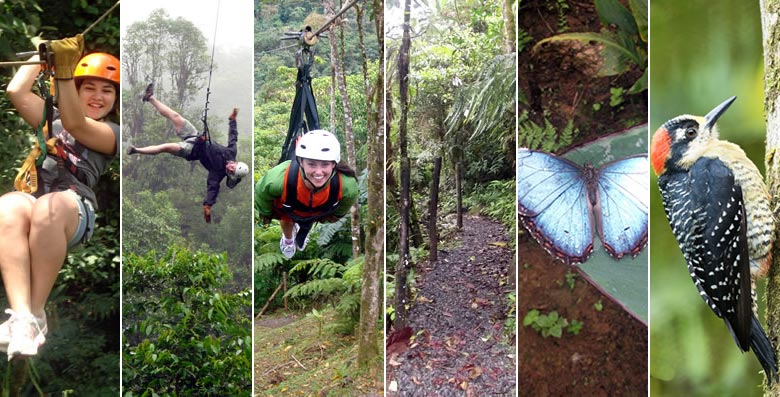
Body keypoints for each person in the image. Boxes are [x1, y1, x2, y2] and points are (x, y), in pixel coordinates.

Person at [0, 34, 119, 360]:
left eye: (107, 90)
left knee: (49, 208)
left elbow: (75, 125)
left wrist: (63, 70)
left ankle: (36, 314)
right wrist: (41, 55)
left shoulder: (113, 134)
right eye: (89, 88)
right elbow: (16, 91)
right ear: (75, 91)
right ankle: (21, 315)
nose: (98, 97)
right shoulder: (52, 118)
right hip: (36, 199)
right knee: (7, 206)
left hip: (72, 208)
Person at [127, 83, 248, 223]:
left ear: (231, 175)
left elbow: (213, 189)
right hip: (196, 136)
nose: (230, 168)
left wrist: (207, 206)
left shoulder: (218, 173)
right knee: (175, 116)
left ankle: (136, 150)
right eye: (233, 167)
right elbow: (233, 136)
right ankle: (150, 97)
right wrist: (232, 120)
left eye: (231, 172)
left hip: (191, 150)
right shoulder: (231, 152)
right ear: (235, 163)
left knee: (166, 147)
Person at [255, 130, 358, 259]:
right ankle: (288, 240)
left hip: (318, 209)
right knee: (287, 220)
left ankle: (303, 231)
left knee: (310, 218)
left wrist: (335, 216)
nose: (318, 172)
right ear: (301, 162)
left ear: (333, 164)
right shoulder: (279, 179)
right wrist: (266, 213)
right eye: (311, 164)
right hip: (290, 204)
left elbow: (347, 201)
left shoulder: (346, 185)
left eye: (325, 164)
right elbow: (261, 193)